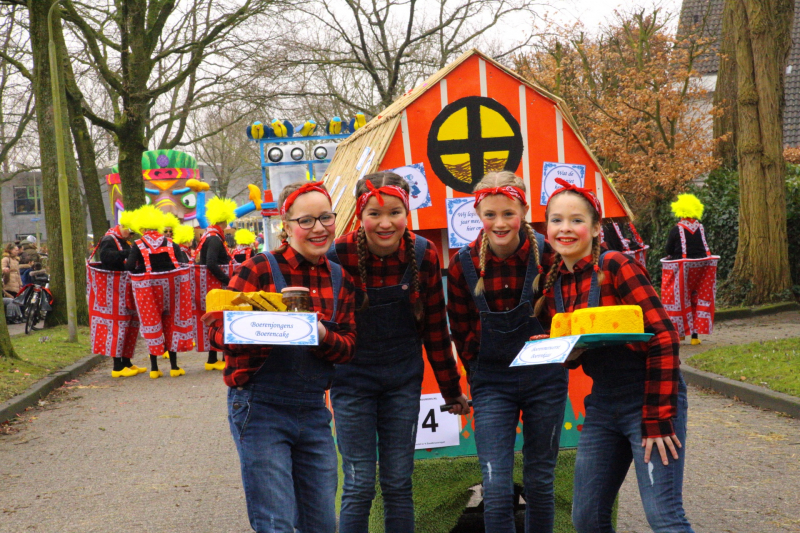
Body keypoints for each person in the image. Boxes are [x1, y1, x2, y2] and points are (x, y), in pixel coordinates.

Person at [535, 178, 692, 533]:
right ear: (546, 229)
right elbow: (577, 353)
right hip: (603, 404)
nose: (565, 228)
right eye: (557, 220)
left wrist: (657, 417)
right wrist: (554, 346)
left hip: (648, 397)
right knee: (586, 518)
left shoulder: (616, 265)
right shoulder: (555, 282)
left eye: (576, 220)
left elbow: (664, 336)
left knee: (663, 514)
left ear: (595, 229)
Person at [208, 181, 357, 533]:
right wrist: (261, 327)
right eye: (306, 221)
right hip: (260, 408)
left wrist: (319, 333)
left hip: (313, 410)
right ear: (286, 227)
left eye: (326, 217)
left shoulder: (341, 280)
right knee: (276, 521)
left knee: (322, 523)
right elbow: (217, 334)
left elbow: (349, 347)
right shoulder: (258, 269)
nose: (319, 228)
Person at [327, 172, 469, 532]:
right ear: (360, 214)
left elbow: (436, 328)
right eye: (374, 213)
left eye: (395, 212)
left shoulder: (423, 253)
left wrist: (451, 390)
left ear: (407, 212)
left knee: (398, 481)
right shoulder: (337, 255)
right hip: (352, 381)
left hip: (402, 382)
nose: (385, 223)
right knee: (359, 483)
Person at [447, 171, 565, 533]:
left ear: (524, 211)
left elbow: (564, 315)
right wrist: (479, 370)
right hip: (493, 382)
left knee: (539, 480)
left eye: (508, 213)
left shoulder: (550, 255)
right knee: (496, 485)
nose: (499, 223)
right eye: (490, 214)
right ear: (477, 213)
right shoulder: (463, 264)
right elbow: (460, 328)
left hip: (544, 378)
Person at [126, 205, 194, 378]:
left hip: (148, 290)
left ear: (142, 228)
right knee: (171, 324)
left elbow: (130, 266)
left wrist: (140, 269)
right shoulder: (170, 242)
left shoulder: (138, 244)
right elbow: (181, 263)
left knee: (151, 323)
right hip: (172, 288)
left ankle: (154, 369)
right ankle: (174, 367)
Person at [87, 211, 146, 377]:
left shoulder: (123, 240)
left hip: (123, 288)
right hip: (112, 289)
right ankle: (117, 366)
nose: (131, 235)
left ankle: (127, 362)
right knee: (117, 327)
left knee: (129, 324)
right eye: (130, 232)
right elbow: (107, 258)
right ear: (123, 226)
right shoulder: (109, 239)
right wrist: (128, 253)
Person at [662, 193, 717, 345]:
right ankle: (694, 337)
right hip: (701, 270)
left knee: (677, 300)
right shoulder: (701, 228)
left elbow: (669, 250)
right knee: (697, 300)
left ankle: (679, 333)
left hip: (681, 271)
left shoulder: (676, 230)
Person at [193, 197, 235, 371]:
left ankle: (213, 359)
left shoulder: (209, 235)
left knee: (215, 319)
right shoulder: (215, 238)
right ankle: (220, 357)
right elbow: (211, 262)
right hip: (216, 286)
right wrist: (227, 280)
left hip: (210, 285)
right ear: (224, 220)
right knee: (221, 318)